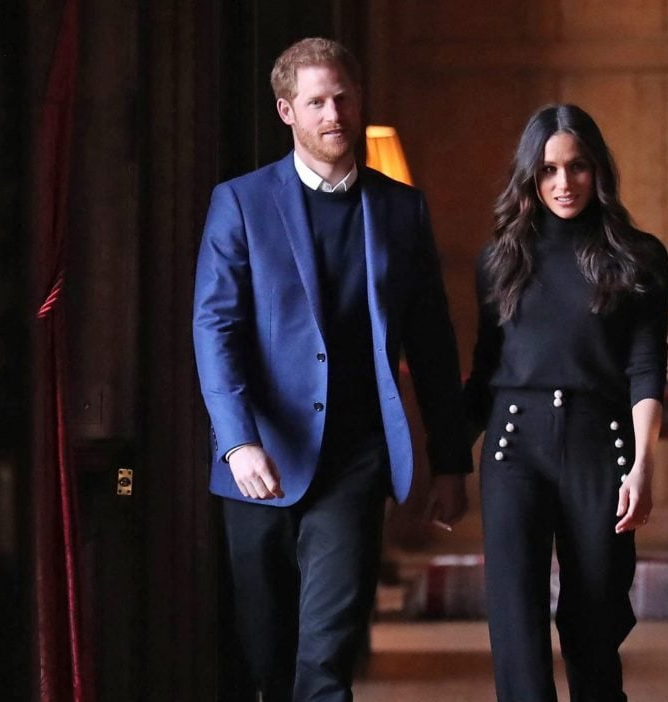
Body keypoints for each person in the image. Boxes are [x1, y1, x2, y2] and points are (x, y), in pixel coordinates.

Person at [192, 37, 472, 701]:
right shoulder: (240, 202)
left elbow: (432, 344)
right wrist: (237, 440)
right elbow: (215, 328)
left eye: (343, 96)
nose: (334, 112)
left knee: (325, 665)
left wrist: (451, 461)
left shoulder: (403, 209)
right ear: (288, 111)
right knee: (268, 661)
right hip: (260, 460)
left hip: (355, 460)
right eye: (317, 100)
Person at [464, 104, 668, 702]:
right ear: (530, 176)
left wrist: (642, 466)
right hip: (513, 446)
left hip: (599, 444)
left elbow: (645, 366)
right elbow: (485, 371)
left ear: (597, 170)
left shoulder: (639, 256)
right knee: (515, 622)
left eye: (578, 167)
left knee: (594, 619)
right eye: (549, 169)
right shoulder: (500, 258)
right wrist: (445, 460)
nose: (563, 183)